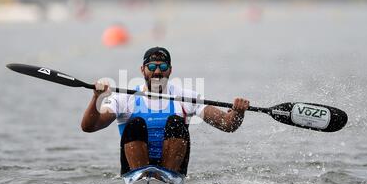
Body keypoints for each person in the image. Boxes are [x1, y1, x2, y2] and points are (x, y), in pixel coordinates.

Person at [81, 47, 249, 175]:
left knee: (176, 122)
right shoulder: (124, 99)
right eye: (152, 66)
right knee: (135, 124)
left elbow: (227, 125)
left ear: (170, 70)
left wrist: (238, 113)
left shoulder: (186, 97)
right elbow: (89, 127)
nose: (157, 71)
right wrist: (96, 97)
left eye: (162, 66)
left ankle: (167, 176)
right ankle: (141, 175)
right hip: (134, 167)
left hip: (173, 167)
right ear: (142, 70)